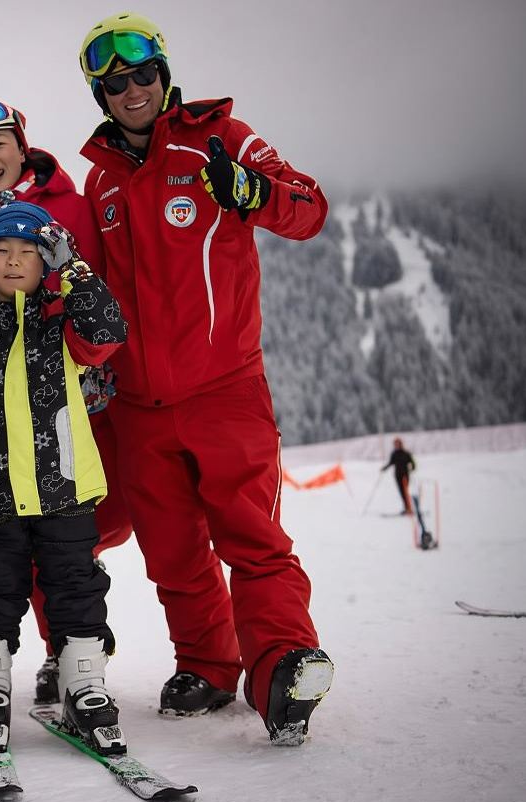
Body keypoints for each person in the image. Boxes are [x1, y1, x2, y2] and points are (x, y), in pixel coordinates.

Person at [77, 12, 334, 744]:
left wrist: (252, 191)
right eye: (115, 81)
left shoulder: (221, 138)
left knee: (251, 536)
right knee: (172, 553)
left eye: (143, 73)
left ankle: (283, 663)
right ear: (101, 93)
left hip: (224, 388)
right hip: (138, 404)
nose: (133, 89)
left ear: (164, 73)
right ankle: (208, 665)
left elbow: (309, 209)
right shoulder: (99, 180)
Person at [0, 98, 133, 703]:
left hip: (71, 386)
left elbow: (106, 311)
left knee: (70, 550)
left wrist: (72, 278)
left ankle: (70, 658)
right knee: (2, 559)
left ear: (21, 146)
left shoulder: (72, 207)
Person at [0, 201, 128, 756]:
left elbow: (109, 331)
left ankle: (84, 684)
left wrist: (76, 269)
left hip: (65, 491)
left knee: (77, 591)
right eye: (1, 251)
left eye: (29, 253)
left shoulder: (65, 319)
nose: (14, 262)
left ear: (47, 262)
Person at [381, 438, 416, 515]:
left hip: (405, 475)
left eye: (398, 444)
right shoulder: (394, 454)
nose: (396, 445)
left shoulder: (406, 453)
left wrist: (413, 467)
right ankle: (406, 508)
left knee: (405, 492)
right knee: (401, 492)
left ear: (401, 444)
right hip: (397, 475)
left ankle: (409, 508)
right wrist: (385, 468)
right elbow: (391, 462)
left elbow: (412, 462)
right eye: (395, 444)